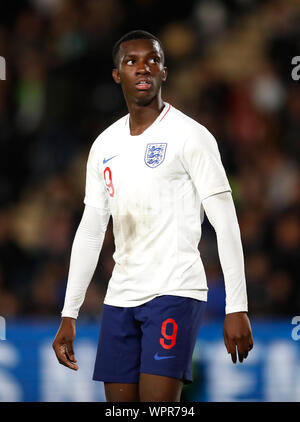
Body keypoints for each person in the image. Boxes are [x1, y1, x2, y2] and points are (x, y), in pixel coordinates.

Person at [52, 30, 254, 402]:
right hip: (120, 297)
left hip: (175, 291)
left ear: (164, 72)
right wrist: (70, 313)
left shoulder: (192, 136)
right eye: (131, 61)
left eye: (153, 60)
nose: (143, 68)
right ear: (117, 74)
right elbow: (92, 231)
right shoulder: (104, 147)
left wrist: (236, 306)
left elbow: (225, 223)